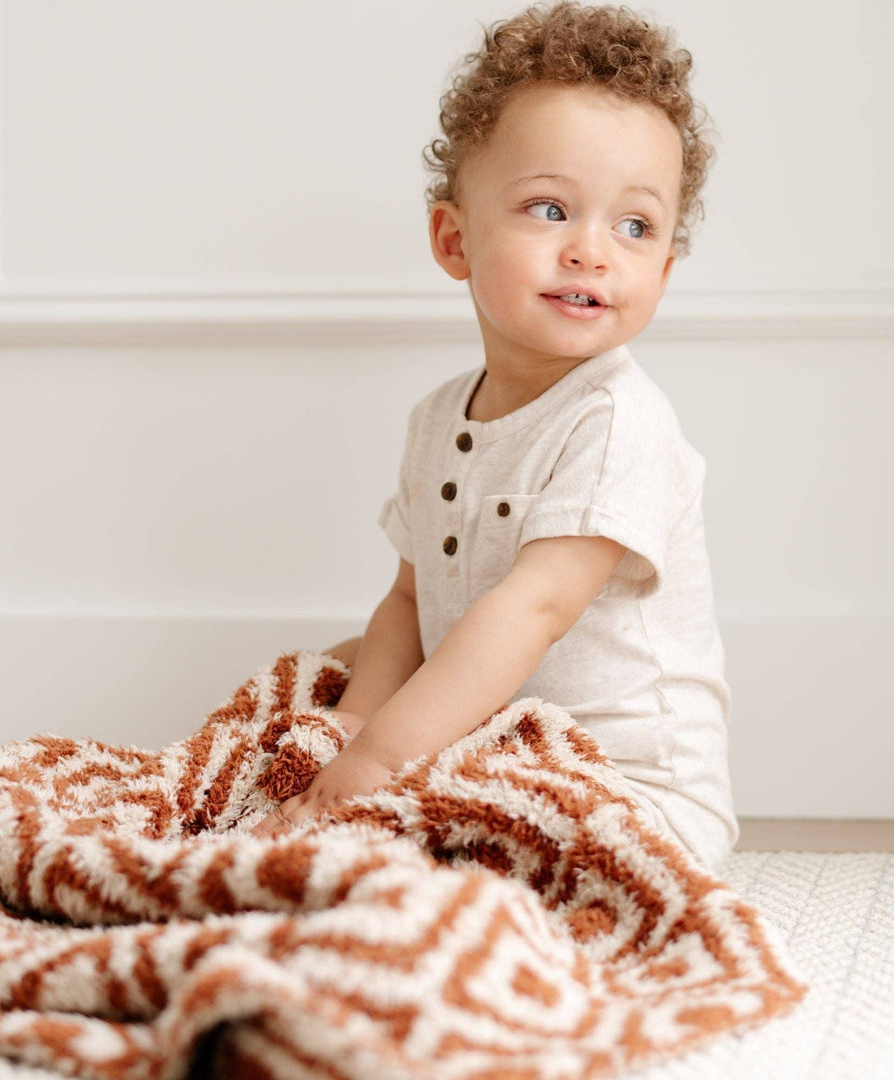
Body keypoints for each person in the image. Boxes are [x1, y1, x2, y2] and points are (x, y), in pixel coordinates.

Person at [253, 0, 738, 873]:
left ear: (663, 270)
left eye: (634, 227)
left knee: (416, 837)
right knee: (332, 676)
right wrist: (353, 727)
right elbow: (410, 602)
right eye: (550, 210)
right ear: (454, 238)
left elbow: (532, 611)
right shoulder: (440, 418)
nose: (593, 251)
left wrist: (371, 765)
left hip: (624, 793)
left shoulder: (619, 420)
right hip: (484, 746)